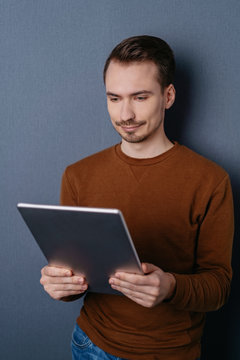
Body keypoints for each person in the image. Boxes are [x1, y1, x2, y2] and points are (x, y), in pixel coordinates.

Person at [40, 35, 234, 360]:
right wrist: (61, 287)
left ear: (168, 96)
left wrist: (170, 286)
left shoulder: (211, 180)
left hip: (170, 352)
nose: (125, 114)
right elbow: (76, 275)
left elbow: (219, 287)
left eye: (140, 97)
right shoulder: (77, 175)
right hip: (90, 345)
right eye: (114, 98)